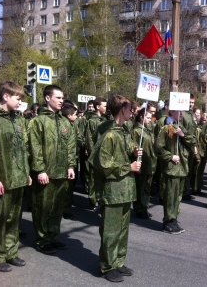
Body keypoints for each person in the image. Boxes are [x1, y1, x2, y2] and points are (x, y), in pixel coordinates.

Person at [88, 95, 141, 282]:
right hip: (112, 190)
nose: (132, 112)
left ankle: (118, 261)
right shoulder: (109, 133)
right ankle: (107, 266)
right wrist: (129, 167)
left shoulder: (123, 130)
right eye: (129, 109)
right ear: (122, 110)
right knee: (110, 230)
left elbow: (126, 147)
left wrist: (134, 150)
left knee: (122, 229)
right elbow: (102, 164)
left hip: (125, 188)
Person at [28, 85, 76, 254]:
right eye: (58, 98)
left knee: (57, 207)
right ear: (48, 98)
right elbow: (34, 148)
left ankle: (53, 236)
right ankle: (42, 240)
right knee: (43, 207)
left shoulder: (64, 121)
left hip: (62, 172)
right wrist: (40, 170)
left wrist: (71, 165)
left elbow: (71, 145)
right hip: (45, 173)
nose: (62, 101)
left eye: (63, 98)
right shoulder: (38, 121)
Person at [0, 81, 31, 272]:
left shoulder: (18, 119)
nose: (20, 102)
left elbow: (23, 149)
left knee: (14, 219)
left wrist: (26, 173)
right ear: (5, 96)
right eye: (18, 98)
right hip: (3, 179)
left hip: (18, 178)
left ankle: (11, 252)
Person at [154, 110, 194, 234]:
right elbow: (158, 148)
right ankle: (168, 221)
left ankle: (174, 218)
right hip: (172, 168)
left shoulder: (182, 128)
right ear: (171, 112)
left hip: (182, 167)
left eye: (182, 111)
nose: (181, 113)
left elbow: (193, 142)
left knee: (177, 197)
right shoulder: (166, 129)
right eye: (178, 111)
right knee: (170, 196)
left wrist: (183, 135)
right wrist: (170, 156)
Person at [133, 108, 157, 219]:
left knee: (147, 187)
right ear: (141, 117)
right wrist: (138, 163)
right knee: (140, 186)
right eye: (147, 117)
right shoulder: (137, 131)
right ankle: (139, 208)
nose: (150, 120)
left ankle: (144, 206)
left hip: (149, 162)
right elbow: (136, 148)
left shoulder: (146, 130)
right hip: (142, 163)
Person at [85, 97, 108, 211]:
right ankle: (94, 201)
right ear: (98, 107)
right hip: (95, 155)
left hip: (104, 155)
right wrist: (92, 154)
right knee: (93, 179)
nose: (106, 108)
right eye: (104, 105)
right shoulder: (92, 121)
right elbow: (89, 138)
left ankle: (101, 200)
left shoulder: (106, 120)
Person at [61, 104, 79, 219]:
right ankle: (62, 209)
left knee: (68, 188)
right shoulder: (65, 126)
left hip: (72, 160)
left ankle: (65, 209)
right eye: (75, 115)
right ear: (69, 115)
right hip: (65, 162)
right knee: (64, 188)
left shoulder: (72, 125)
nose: (76, 117)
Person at [180, 94, 198, 201]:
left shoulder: (192, 114)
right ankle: (182, 191)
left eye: (192, 102)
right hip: (184, 145)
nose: (191, 104)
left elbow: (194, 130)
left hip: (191, 145)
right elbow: (183, 130)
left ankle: (186, 191)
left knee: (189, 170)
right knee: (184, 169)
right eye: (189, 102)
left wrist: (194, 145)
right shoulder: (182, 113)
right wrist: (191, 143)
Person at [192, 112, 207, 196]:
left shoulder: (205, 130)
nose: (205, 122)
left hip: (204, 153)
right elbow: (196, 143)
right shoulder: (198, 130)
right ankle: (195, 189)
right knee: (197, 172)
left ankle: (198, 188)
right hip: (199, 153)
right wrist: (197, 155)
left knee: (201, 172)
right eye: (204, 120)